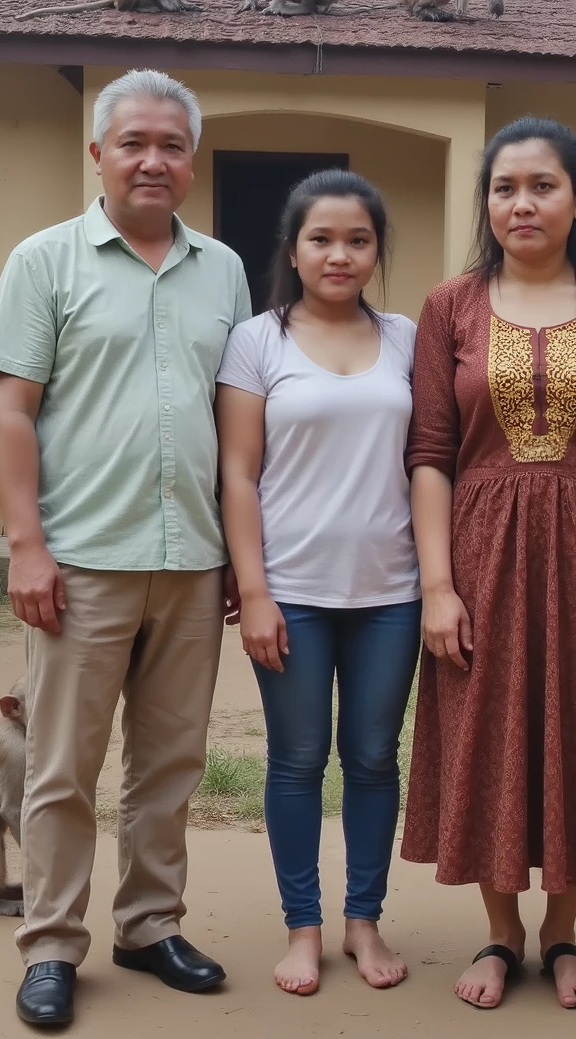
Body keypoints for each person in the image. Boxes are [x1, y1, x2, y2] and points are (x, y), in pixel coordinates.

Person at [0, 69, 251, 1029]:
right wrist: (26, 546)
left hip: (192, 564)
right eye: (133, 141)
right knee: (61, 767)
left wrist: (235, 557)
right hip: (80, 562)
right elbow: (11, 408)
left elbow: (236, 421)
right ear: (97, 153)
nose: (153, 159)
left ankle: (148, 925)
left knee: (170, 765)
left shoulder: (223, 269)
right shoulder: (43, 263)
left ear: (191, 161)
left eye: (171, 145)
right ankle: (52, 943)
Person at [403, 117, 576, 1011]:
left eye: (543, 185)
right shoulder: (452, 305)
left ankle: (561, 935)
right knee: (488, 730)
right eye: (505, 187)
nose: (523, 203)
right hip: (479, 552)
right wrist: (437, 588)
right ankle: (499, 933)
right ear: (487, 201)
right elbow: (431, 453)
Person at [216, 171, 421, 997]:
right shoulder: (257, 341)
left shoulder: (409, 337)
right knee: (297, 761)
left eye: (358, 239)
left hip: (392, 593)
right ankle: (302, 927)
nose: (340, 254)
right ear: (293, 251)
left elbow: (430, 462)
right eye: (322, 239)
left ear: (376, 250)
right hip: (292, 590)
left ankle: (362, 921)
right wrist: (254, 591)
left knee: (373, 758)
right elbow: (237, 474)